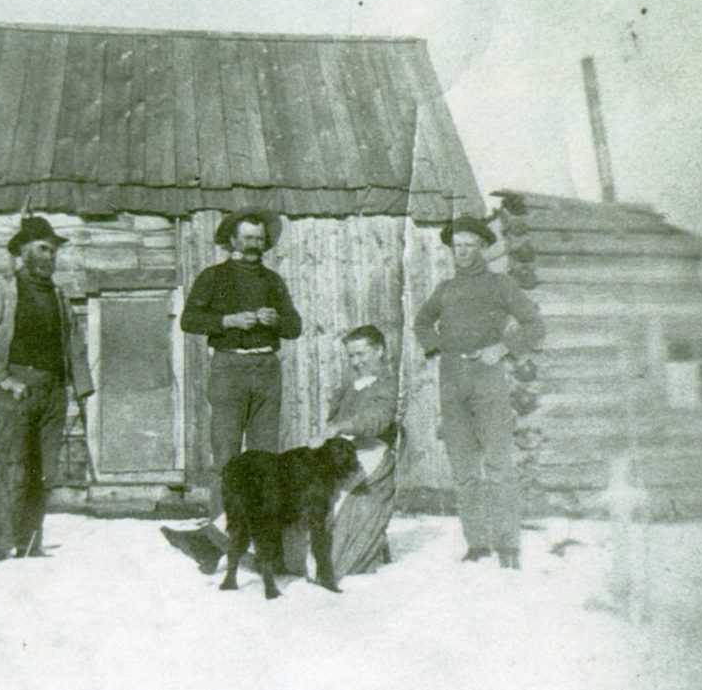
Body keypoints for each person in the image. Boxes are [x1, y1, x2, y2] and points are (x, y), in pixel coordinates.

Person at [161, 209, 302, 570]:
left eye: (260, 238)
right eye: (249, 238)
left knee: (266, 462)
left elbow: (295, 327)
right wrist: (227, 321)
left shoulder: (273, 280)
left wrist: (277, 320)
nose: (256, 244)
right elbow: (189, 320)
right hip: (229, 367)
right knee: (226, 459)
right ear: (233, 240)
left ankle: (264, 551)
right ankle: (218, 543)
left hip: (267, 368)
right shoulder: (214, 277)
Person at [413, 215, 545, 569]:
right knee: (464, 469)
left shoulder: (500, 285)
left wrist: (501, 349)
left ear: (483, 246)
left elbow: (535, 325)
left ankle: (507, 545)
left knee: (499, 464)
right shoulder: (445, 289)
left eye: (469, 245)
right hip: (452, 381)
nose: (463, 252)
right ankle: (477, 543)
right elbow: (422, 322)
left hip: (488, 379)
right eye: (457, 246)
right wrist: (437, 347)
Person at [0, 216, 93, 563]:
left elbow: (72, 342)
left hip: (52, 393)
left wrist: (80, 388)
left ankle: (29, 543)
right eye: (42, 249)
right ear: (23, 252)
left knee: (43, 471)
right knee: (14, 467)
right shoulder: (2, 291)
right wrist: (5, 380)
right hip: (15, 390)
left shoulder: (58, 295)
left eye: (52, 251)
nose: (49, 256)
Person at [309, 324, 399, 579]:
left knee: (331, 562)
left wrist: (339, 427)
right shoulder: (352, 386)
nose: (356, 362)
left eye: (361, 354)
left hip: (372, 453)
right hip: (340, 451)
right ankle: (217, 539)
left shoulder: (389, 384)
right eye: (351, 356)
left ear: (379, 351)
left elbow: (378, 420)